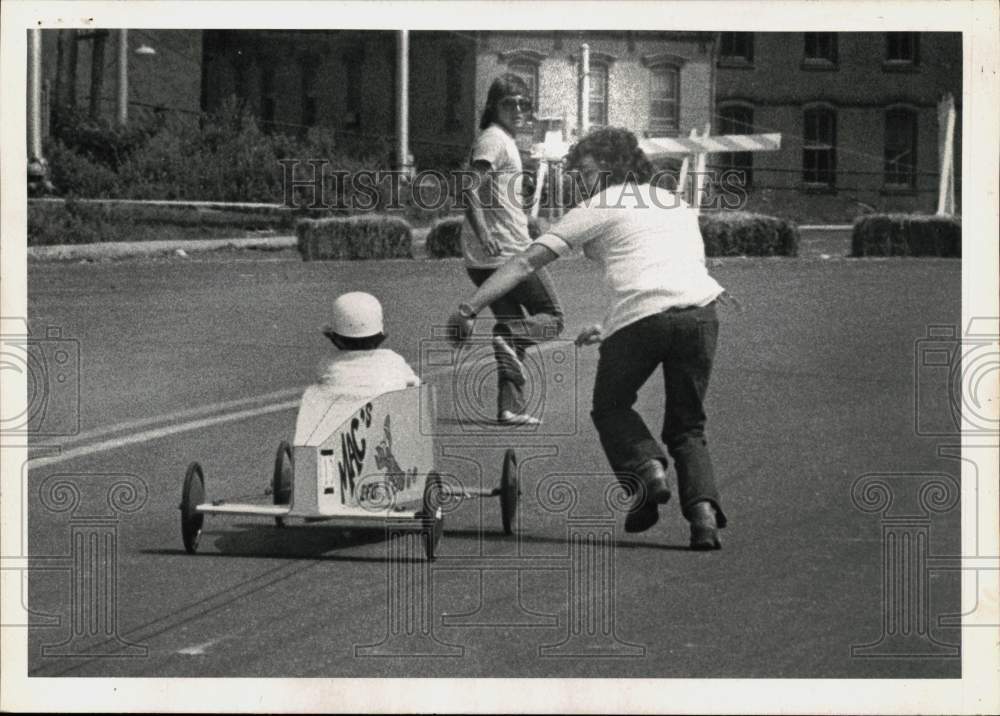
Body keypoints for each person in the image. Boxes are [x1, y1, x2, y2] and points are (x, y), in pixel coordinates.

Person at [448, 127, 728, 550]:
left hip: (644, 319)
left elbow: (524, 262)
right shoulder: (674, 200)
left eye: (584, 170)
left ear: (612, 167)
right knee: (688, 424)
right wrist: (610, 323)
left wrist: (470, 307)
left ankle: (648, 470)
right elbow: (676, 271)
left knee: (611, 407)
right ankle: (703, 517)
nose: (576, 181)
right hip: (702, 314)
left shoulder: (598, 205)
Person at [458, 74, 564, 425]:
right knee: (552, 317)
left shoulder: (502, 140)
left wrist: (523, 221)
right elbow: (469, 189)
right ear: (493, 106)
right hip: (507, 254)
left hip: (486, 256)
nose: (518, 109)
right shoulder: (494, 139)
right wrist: (485, 230)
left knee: (514, 327)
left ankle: (510, 408)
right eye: (509, 102)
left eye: (524, 103)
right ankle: (505, 339)